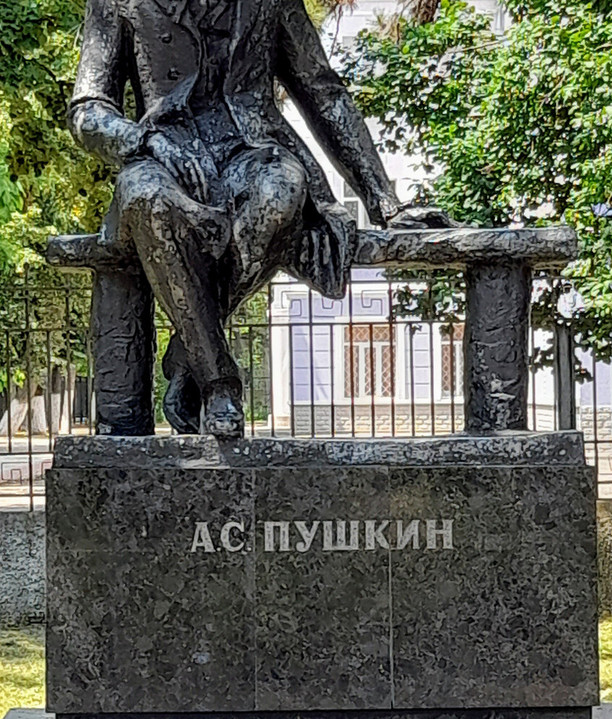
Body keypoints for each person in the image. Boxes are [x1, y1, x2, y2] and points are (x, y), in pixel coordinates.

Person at [69, 0, 445, 437]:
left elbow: (322, 90)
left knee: (283, 189)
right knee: (144, 196)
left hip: (250, 149)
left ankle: (192, 352)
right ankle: (218, 381)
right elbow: (88, 108)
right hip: (166, 154)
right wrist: (142, 139)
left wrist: (387, 203)